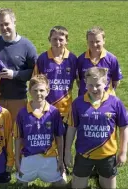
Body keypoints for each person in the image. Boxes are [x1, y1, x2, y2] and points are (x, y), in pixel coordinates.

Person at [65, 67, 128, 189]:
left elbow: (124, 127)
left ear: (106, 83)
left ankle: (100, 177)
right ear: (85, 83)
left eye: (98, 85)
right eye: (90, 85)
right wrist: (67, 151)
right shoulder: (78, 103)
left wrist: (123, 152)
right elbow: (71, 128)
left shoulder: (115, 103)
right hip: (84, 154)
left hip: (107, 155)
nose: (94, 89)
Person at [34, 26, 77, 174]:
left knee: (64, 139)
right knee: (48, 138)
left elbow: (79, 82)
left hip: (66, 109)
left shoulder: (72, 59)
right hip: (47, 109)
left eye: (61, 39)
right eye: (54, 39)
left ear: (66, 41)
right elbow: (35, 82)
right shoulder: (43, 58)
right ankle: (47, 166)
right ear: (49, 40)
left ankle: (63, 165)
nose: (57, 42)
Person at [14, 74, 66, 188]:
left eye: (42, 90)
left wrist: (61, 160)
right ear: (29, 91)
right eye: (35, 90)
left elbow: (59, 137)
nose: (38, 94)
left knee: (61, 185)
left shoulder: (54, 112)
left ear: (48, 91)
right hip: (28, 157)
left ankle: (62, 174)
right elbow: (18, 138)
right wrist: (17, 161)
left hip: (49, 156)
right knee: (20, 185)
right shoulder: (22, 113)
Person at [0, 8, 38, 123]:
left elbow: (35, 72)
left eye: (7, 24)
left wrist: (14, 74)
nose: (4, 28)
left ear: (14, 22)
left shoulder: (27, 46)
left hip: (18, 99)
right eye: (1, 25)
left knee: (17, 135)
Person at [77, 26, 122, 97]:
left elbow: (116, 82)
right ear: (87, 42)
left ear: (104, 41)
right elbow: (79, 81)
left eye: (97, 41)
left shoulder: (112, 59)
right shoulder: (81, 59)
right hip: (86, 101)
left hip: (105, 102)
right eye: (91, 42)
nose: (94, 45)